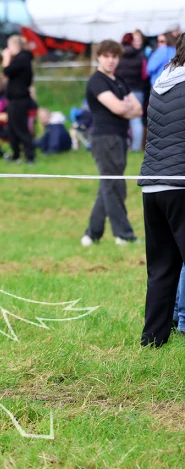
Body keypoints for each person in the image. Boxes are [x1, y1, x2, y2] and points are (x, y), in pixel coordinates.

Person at [138, 33, 185, 347]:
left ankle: (152, 339)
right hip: (181, 185)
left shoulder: (161, 81)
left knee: (161, 269)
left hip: (153, 186)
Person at [80, 40, 143, 248]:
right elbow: (118, 108)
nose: (111, 60)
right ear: (99, 57)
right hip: (104, 138)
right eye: (107, 56)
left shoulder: (119, 80)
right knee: (113, 186)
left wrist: (125, 107)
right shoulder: (97, 81)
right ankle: (123, 235)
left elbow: (138, 109)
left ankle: (92, 234)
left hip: (120, 138)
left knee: (109, 185)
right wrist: (125, 107)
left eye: (115, 56)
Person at [1, 35, 35, 164]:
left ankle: (30, 157)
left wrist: (6, 57)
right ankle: (16, 155)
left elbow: (6, 70)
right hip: (14, 99)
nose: (7, 49)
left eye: (9, 46)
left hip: (20, 100)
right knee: (12, 129)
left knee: (21, 128)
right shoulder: (20, 59)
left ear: (14, 46)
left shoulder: (23, 58)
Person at [115, 31, 148, 151]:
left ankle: (123, 145)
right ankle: (136, 148)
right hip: (137, 90)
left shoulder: (117, 56)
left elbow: (113, 73)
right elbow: (145, 74)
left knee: (121, 119)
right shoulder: (140, 56)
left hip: (121, 91)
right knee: (136, 120)